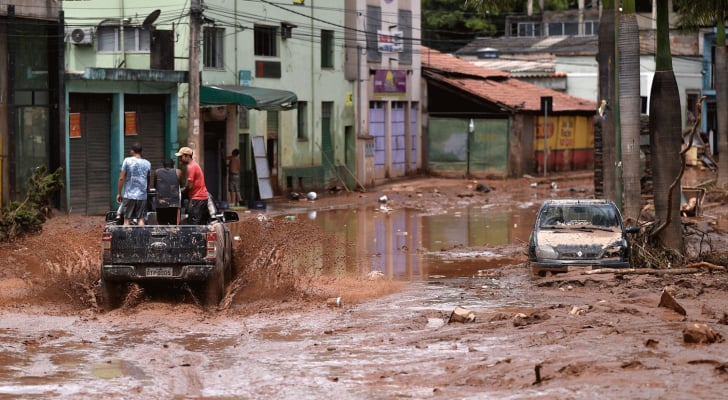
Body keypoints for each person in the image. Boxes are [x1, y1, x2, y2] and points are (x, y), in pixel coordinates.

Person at [117, 142, 152, 225]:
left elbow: (121, 178)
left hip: (129, 195)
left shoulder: (127, 161)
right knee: (141, 219)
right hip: (142, 196)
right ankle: (142, 238)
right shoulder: (147, 163)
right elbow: (148, 179)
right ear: (141, 152)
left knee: (127, 220)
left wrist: (119, 193)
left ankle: (127, 238)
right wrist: (147, 190)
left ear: (132, 151)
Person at [176, 146, 210, 224]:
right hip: (202, 198)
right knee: (201, 224)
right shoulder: (194, 165)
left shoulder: (191, 167)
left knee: (193, 225)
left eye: (181, 157)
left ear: (187, 156)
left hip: (197, 199)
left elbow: (189, 186)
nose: (180, 159)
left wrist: (181, 192)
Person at [152, 158, 183, 225]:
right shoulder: (178, 172)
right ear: (173, 165)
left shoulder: (157, 171)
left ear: (163, 165)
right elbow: (181, 185)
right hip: (174, 203)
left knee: (162, 224)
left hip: (161, 202)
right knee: (174, 224)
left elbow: (155, 185)